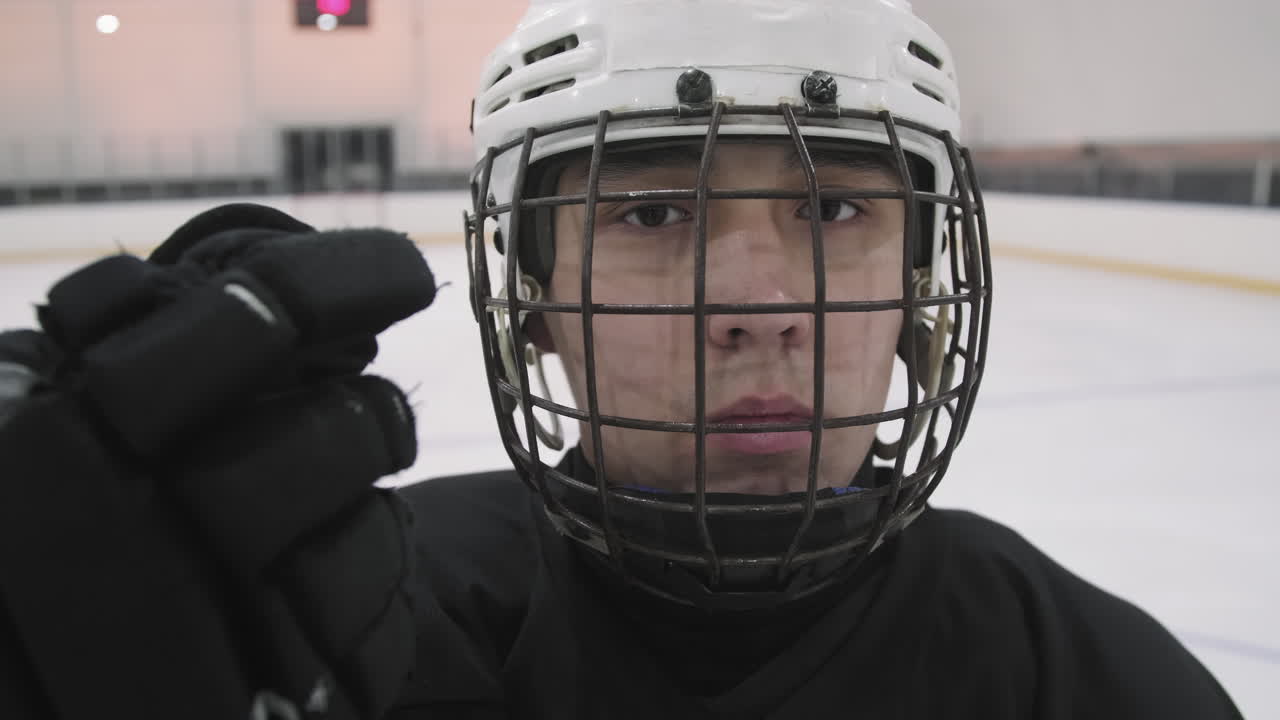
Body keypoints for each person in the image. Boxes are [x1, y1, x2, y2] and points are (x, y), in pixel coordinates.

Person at [0, 1, 1243, 718]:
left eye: (834, 211)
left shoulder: (1073, 675)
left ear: (919, 283)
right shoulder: (353, 630)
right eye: (653, 214)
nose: (763, 301)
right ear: (528, 300)